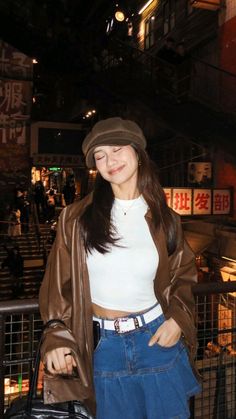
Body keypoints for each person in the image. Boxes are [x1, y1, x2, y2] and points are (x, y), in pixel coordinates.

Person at [39, 117, 201, 419]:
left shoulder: (165, 218)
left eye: (116, 149)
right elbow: (57, 284)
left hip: (156, 339)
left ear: (138, 153)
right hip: (103, 350)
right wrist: (57, 337)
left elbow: (184, 274)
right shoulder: (76, 218)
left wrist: (177, 320)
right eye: (100, 156)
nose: (109, 160)